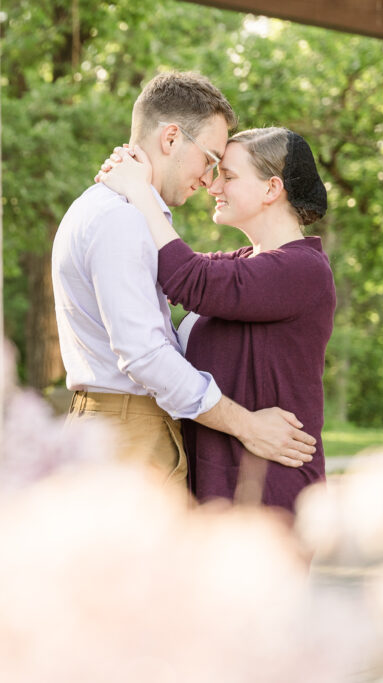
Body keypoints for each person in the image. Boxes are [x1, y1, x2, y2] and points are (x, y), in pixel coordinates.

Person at [51, 71, 316, 490]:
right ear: (171, 138)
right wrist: (246, 425)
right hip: (128, 435)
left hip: (125, 427)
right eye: (211, 160)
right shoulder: (121, 217)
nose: (210, 181)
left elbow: (197, 274)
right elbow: (145, 356)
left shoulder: (118, 211)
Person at [96, 127, 335, 514]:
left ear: (272, 189)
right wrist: (134, 171)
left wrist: (140, 192)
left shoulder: (302, 270)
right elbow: (172, 268)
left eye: (229, 176)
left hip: (268, 495)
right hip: (226, 492)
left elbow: (190, 280)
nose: (213, 186)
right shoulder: (246, 262)